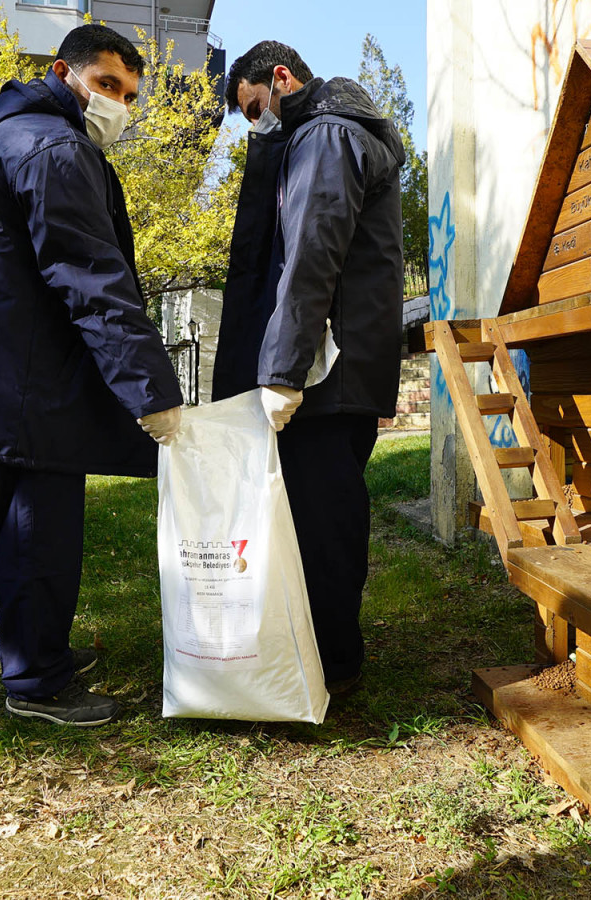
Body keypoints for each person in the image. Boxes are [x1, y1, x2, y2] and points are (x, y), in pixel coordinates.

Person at [0, 24, 184, 727]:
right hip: (25, 389)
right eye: (106, 85)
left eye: (128, 93)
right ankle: (38, 685)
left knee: (19, 528)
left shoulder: (19, 135)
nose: (118, 103)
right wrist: (151, 394)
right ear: (66, 72)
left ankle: (36, 653)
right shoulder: (55, 148)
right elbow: (93, 282)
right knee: (41, 536)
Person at [214, 41, 406, 696]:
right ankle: (321, 656)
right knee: (323, 511)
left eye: (255, 108)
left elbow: (311, 255)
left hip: (327, 370)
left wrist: (283, 371)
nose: (255, 124)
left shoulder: (324, 136)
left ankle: (331, 667)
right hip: (342, 362)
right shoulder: (328, 132)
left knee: (323, 520)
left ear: (282, 78)